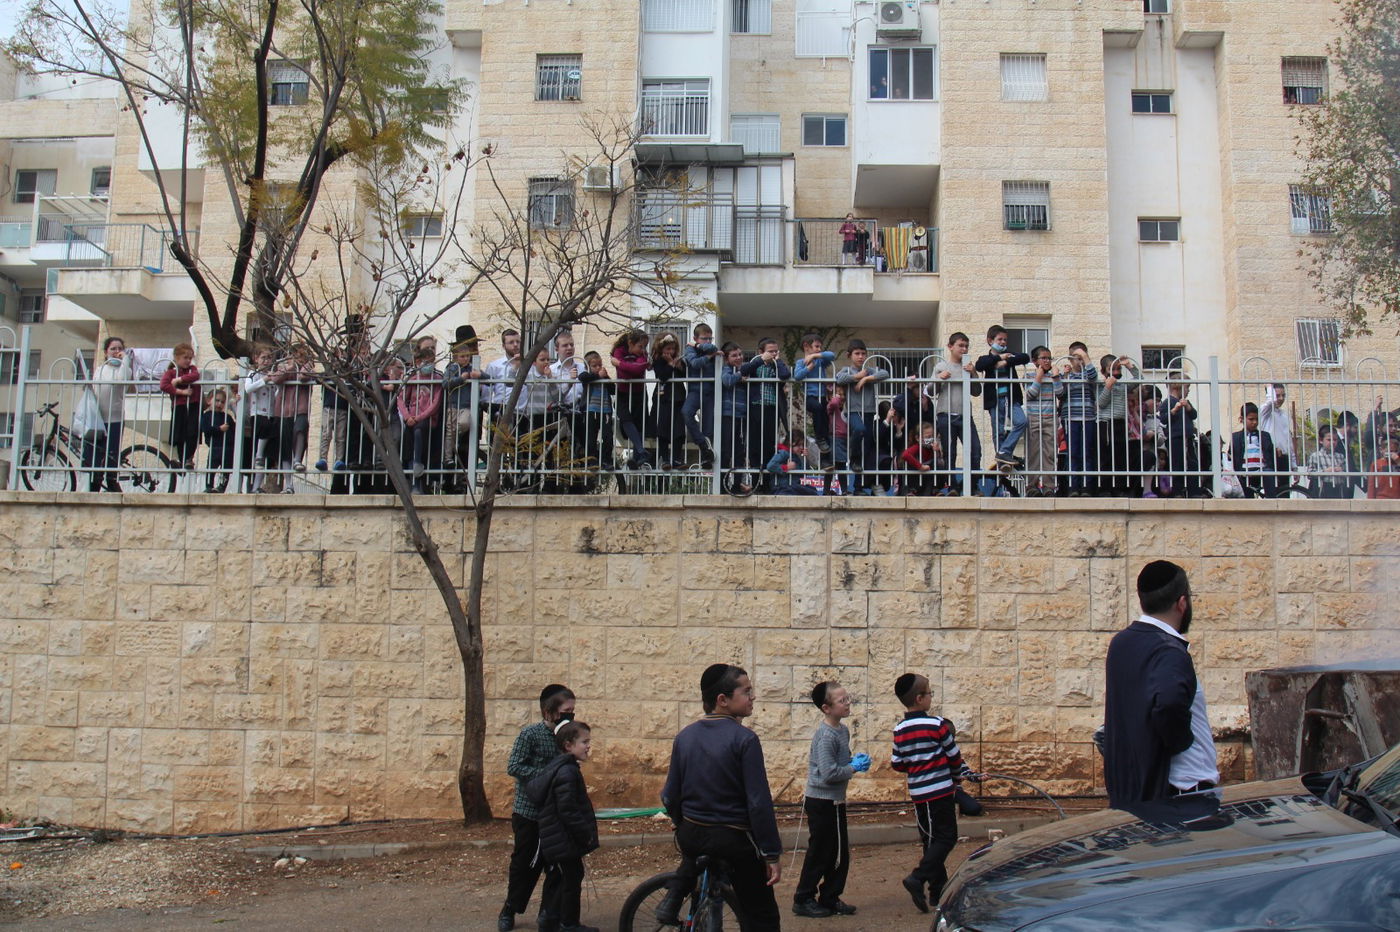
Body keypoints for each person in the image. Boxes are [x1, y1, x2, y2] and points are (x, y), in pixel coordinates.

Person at [658, 664, 782, 931]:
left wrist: (681, 822)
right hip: (732, 839)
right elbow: (758, 804)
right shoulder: (745, 740)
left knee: (698, 866)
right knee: (762, 913)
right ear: (722, 700)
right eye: (746, 691)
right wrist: (771, 854)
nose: (753, 697)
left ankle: (675, 896)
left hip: (691, 834)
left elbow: (669, 795)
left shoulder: (684, 737)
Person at [1103, 561, 1218, 808]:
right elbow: (1168, 703)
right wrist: (1181, 741)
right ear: (1182, 603)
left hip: (1134, 791)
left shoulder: (1121, 644)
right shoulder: (1170, 651)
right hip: (1183, 790)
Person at [890, 672, 973, 914]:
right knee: (946, 837)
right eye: (929, 694)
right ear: (919, 699)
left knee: (930, 840)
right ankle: (918, 878)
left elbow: (898, 763)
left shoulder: (900, 729)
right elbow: (953, 756)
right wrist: (956, 777)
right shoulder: (936, 724)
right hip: (940, 791)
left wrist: (916, 765)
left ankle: (938, 891)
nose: (930, 698)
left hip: (919, 794)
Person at [500, 685, 577, 932]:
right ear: (548, 711)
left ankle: (548, 914)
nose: (570, 715)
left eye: (573, 710)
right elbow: (515, 766)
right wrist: (546, 775)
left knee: (556, 867)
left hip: (558, 814)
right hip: (529, 813)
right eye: (566, 710)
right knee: (524, 865)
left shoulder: (569, 735)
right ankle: (511, 907)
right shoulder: (530, 735)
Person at [793, 681, 869, 919]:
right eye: (841, 700)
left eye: (848, 699)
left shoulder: (842, 730)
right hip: (821, 801)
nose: (847, 704)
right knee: (820, 852)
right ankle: (803, 898)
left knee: (838, 853)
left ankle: (830, 897)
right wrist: (853, 768)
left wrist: (852, 760)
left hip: (836, 801)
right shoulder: (825, 735)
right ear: (826, 708)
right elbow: (828, 773)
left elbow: (840, 762)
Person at [526, 721, 601, 932]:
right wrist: (584, 834)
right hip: (563, 839)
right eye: (584, 742)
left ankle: (552, 921)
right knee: (570, 880)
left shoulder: (563, 767)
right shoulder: (567, 772)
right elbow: (568, 810)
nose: (588, 746)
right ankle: (567, 923)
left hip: (560, 838)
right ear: (568, 745)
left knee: (567, 878)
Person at [835, 339, 889, 494]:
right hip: (852, 411)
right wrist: (857, 377)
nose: (860, 357)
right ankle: (854, 457)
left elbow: (885, 373)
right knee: (859, 429)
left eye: (863, 354)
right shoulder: (847, 370)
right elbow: (839, 379)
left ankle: (858, 487)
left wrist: (866, 378)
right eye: (857, 354)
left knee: (865, 448)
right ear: (849, 355)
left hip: (868, 411)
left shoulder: (870, 371)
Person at [929, 332, 980, 494]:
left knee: (975, 451)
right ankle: (952, 486)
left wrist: (973, 373)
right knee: (950, 452)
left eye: (966, 346)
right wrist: (939, 378)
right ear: (950, 347)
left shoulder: (969, 367)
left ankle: (972, 486)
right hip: (945, 415)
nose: (964, 349)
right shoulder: (941, 366)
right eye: (960, 346)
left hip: (965, 415)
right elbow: (930, 390)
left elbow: (977, 391)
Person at [974, 325, 1030, 470]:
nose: (1003, 342)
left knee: (1021, 421)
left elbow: (1025, 357)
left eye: (1005, 339)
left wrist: (1005, 361)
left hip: (1011, 397)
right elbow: (980, 365)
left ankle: (1004, 452)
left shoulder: (1010, 355)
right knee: (998, 430)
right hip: (995, 400)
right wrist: (997, 358)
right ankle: (1002, 462)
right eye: (999, 339)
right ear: (990, 341)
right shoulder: (986, 358)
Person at [741, 338, 791, 491]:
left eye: (776, 350)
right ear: (761, 352)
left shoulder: (777, 365)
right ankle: (756, 482)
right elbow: (743, 370)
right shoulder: (755, 363)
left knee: (769, 446)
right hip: (755, 408)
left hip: (771, 408)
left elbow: (785, 375)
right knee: (755, 445)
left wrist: (778, 361)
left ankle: (767, 484)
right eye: (770, 351)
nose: (773, 353)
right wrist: (760, 360)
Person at [86, 335, 132, 492]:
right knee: (97, 454)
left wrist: (125, 359)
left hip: (115, 419)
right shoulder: (100, 369)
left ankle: (112, 481)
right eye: (113, 349)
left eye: (120, 348)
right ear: (106, 352)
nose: (117, 351)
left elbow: (122, 380)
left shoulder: (124, 369)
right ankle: (95, 484)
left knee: (111, 454)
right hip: (98, 419)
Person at [399, 346, 444, 494]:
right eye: (426, 362)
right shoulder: (413, 379)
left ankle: (418, 464)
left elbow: (435, 403)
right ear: (418, 362)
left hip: (426, 421)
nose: (429, 365)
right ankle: (414, 481)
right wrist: (407, 417)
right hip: (411, 420)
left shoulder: (437, 379)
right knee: (409, 445)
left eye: (432, 362)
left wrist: (418, 418)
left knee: (420, 436)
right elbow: (401, 399)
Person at [1096, 354, 1143, 496]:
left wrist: (1129, 365)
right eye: (1112, 369)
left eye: (1118, 368)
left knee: (1121, 456)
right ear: (1104, 370)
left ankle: (1119, 487)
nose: (1116, 372)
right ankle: (1104, 488)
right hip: (1105, 423)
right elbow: (1101, 403)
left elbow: (1140, 380)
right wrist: (1108, 388)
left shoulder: (1123, 386)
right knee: (1105, 456)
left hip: (1120, 423)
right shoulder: (1100, 384)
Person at [1022, 345, 1063, 496]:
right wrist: (1038, 377)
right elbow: (1030, 394)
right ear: (1034, 361)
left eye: (1049, 358)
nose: (1047, 361)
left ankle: (1049, 486)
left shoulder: (1054, 376)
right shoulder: (1028, 376)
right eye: (1043, 358)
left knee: (1050, 453)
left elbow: (1060, 393)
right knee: (1033, 453)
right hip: (1033, 417)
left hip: (1050, 418)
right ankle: (1031, 486)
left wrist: (1057, 377)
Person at [442, 325, 482, 476]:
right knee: (457, 443)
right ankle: (455, 478)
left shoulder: (474, 366)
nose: (475, 349)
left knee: (471, 446)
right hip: (457, 409)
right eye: (471, 345)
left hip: (473, 410)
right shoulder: (453, 368)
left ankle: (467, 478)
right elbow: (447, 384)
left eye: (475, 345)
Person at [1060, 342, 1098, 496]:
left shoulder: (1088, 374)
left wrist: (1085, 357)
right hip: (1070, 417)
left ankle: (1086, 487)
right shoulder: (1066, 375)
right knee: (1073, 452)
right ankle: (1073, 486)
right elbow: (1060, 392)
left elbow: (1094, 377)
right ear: (1070, 359)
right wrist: (1065, 376)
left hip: (1087, 417)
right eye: (1076, 358)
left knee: (1087, 452)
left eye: (1082, 357)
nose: (1079, 361)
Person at [611, 330, 652, 469]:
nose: (643, 350)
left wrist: (620, 364)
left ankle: (637, 458)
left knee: (639, 423)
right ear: (630, 343)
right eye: (640, 346)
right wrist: (628, 367)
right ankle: (641, 451)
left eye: (645, 347)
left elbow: (638, 369)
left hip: (639, 392)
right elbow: (626, 375)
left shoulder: (643, 355)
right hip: (623, 392)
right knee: (625, 418)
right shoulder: (619, 350)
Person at [681, 323, 719, 467]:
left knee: (709, 427)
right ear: (695, 338)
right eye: (704, 339)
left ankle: (706, 457)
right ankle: (701, 443)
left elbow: (713, 348)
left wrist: (701, 347)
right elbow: (695, 363)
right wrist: (709, 357)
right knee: (686, 413)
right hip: (695, 390)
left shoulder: (700, 347)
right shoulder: (690, 348)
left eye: (710, 338)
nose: (708, 342)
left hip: (710, 392)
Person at [793, 333, 837, 459]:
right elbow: (797, 376)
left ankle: (825, 449)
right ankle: (819, 438)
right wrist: (809, 367)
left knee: (824, 421)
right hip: (810, 396)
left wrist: (815, 355)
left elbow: (832, 356)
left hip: (822, 396)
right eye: (816, 346)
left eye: (820, 347)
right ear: (806, 346)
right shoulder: (801, 362)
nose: (819, 349)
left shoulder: (820, 360)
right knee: (817, 408)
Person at [159, 341, 202, 472]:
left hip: (193, 404)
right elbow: (164, 385)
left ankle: (189, 458)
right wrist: (181, 392)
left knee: (193, 431)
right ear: (177, 358)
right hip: (180, 405)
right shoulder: (171, 372)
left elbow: (195, 375)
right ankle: (180, 459)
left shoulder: (192, 370)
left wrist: (179, 381)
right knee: (180, 433)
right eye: (185, 358)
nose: (188, 360)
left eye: (190, 358)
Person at [649, 332, 689, 469]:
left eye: (673, 349)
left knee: (679, 430)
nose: (671, 352)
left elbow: (686, 374)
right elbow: (662, 376)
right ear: (661, 349)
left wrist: (678, 366)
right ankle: (665, 459)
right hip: (663, 398)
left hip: (678, 398)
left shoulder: (679, 361)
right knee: (663, 430)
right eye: (668, 349)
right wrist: (670, 365)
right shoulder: (658, 360)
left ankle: (676, 459)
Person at [576, 352, 616, 473]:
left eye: (600, 365)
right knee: (591, 438)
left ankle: (606, 460)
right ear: (588, 366)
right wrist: (598, 376)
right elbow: (583, 378)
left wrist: (606, 377)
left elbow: (613, 390)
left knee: (608, 437)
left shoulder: (603, 377)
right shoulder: (587, 375)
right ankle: (591, 460)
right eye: (595, 366)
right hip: (591, 411)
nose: (598, 368)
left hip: (605, 412)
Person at [719, 342, 751, 489]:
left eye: (740, 354)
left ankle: (737, 484)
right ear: (727, 358)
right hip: (728, 415)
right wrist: (739, 375)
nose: (738, 357)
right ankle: (722, 485)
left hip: (742, 415)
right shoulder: (726, 368)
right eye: (734, 355)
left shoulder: (743, 369)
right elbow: (727, 381)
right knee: (726, 451)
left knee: (740, 452)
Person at [1231, 402, 1278, 498]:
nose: (1254, 422)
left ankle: (1271, 501)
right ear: (1242, 419)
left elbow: (1270, 455)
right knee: (1246, 496)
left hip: (1262, 469)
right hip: (1244, 471)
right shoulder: (1236, 437)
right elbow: (1232, 456)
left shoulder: (1265, 436)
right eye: (1251, 419)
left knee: (1269, 474)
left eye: (1256, 419)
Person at [200, 389, 235, 493]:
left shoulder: (227, 417)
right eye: (217, 400)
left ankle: (221, 487)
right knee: (211, 468)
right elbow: (206, 430)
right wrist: (219, 429)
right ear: (209, 400)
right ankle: (209, 486)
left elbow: (233, 430)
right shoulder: (206, 415)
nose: (219, 404)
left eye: (222, 402)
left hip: (227, 447)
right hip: (215, 446)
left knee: (226, 469)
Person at [900, 420, 942, 496]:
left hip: (926, 482)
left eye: (932, 436)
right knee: (909, 465)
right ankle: (910, 491)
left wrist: (937, 452)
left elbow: (939, 463)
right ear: (918, 438)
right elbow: (905, 455)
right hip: (915, 480)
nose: (931, 439)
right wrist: (920, 466)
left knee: (939, 465)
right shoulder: (917, 447)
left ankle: (935, 490)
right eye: (928, 437)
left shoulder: (932, 448)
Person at [1306, 424, 1349, 499]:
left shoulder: (1340, 456)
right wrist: (1325, 471)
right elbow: (1310, 474)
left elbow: (1347, 474)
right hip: (1322, 489)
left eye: (1335, 440)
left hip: (1338, 489)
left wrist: (1341, 471)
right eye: (1329, 440)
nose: (1332, 442)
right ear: (1321, 440)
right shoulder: (1315, 456)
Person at [1259, 382, 1294, 474]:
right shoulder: (1265, 411)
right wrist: (1270, 387)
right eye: (1277, 395)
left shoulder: (1284, 415)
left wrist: (1294, 465)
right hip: (1270, 457)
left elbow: (1289, 441)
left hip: (1284, 459)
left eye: (1283, 395)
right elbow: (1271, 402)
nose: (1281, 398)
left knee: (1285, 488)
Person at [1366, 435, 1400, 499]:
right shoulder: (1377, 464)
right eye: (1389, 451)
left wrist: (1398, 462)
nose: (1392, 454)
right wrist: (1370, 501)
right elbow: (1371, 485)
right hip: (1381, 498)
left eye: (1395, 451)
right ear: (1381, 450)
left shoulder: (1398, 461)